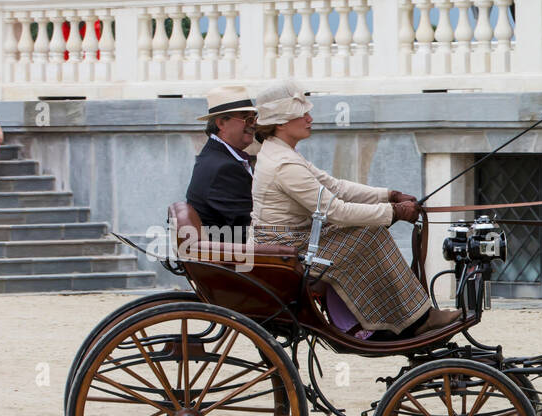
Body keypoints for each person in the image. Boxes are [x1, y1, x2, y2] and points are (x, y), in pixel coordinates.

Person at [250, 80, 457, 338]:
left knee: (367, 231)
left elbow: (336, 187)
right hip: (289, 246)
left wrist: (388, 195)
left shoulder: (283, 153)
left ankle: (394, 319)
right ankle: (408, 320)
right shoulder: (283, 163)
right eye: (302, 114)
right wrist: (393, 212)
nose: (310, 118)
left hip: (293, 240)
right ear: (281, 123)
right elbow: (335, 210)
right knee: (370, 233)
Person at [186, 85, 258, 233]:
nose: (253, 124)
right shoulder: (224, 167)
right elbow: (249, 228)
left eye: (254, 117)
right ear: (221, 123)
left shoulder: (216, 156)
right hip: (233, 253)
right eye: (246, 118)